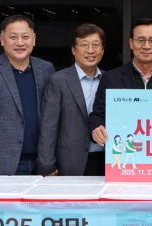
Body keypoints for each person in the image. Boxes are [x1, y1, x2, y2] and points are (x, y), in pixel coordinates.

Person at [0, 14, 55, 175]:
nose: (20, 42)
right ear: (2, 39)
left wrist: (51, 162)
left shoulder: (46, 69)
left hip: (42, 163)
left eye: (25, 37)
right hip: (2, 163)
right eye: (13, 37)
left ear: (33, 39)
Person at [88, 18, 152, 146]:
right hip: (124, 150)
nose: (146, 46)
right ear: (131, 43)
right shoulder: (110, 78)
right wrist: (96, 129)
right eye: (140, 40)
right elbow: (98, 115)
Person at [37, 23, 107, 176]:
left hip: (106, 160)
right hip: (69, 162)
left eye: (96, 45)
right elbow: (48, 127)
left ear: (102, 50)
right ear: (74, 50)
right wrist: (46, 164)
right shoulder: (58, 80)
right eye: (84, 45)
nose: (90, 50)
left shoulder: (110, 80)